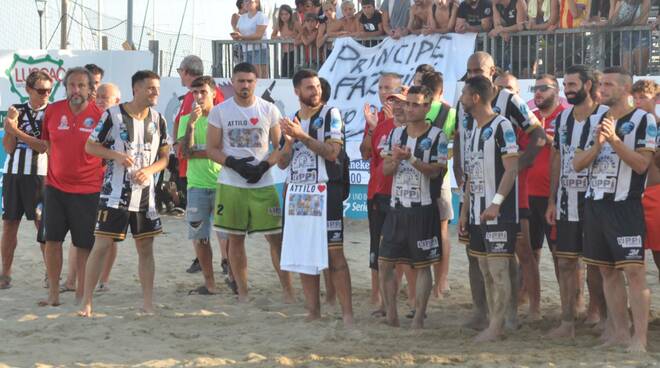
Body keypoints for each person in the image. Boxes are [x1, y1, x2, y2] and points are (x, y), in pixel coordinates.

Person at [453, 52, 545, 330]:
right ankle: (481, 310)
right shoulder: (464, 101)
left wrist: (517, 168)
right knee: (474, 252)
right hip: (474, 186)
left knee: (512, 251)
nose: (473, 74)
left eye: (478, 70)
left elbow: (538, 135)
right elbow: (459, 139)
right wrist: (459, 173)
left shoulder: (509, 100)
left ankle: (512, 314)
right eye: (469, 70)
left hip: (505, 191)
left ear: (492, 71)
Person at [573, 67, 655, 352]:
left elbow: (643, 165)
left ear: (625, 89)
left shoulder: (644, 121)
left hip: (626, 206)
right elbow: (577, 163)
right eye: (601, 84)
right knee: (607, 271)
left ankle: (639, 339)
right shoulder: (596, 120)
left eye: (608, 85)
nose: (601, 89)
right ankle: (619, 333)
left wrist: (615, 141)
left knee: (634, 271)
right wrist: (598, 145)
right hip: (596, 204)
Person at [79, 70, 169, 317]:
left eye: (157, 89)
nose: (155, 93)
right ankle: (87, 302)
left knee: (146, 248)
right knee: (101, 246)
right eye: (151, 88)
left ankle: (148, 303)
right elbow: (90, 146)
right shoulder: (112, 115)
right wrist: (116, 155)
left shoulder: (159, 119)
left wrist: (149, 170)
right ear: (136, 89)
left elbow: (164, 157)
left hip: (145, 197)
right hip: (114, 195)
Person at [206, 62, 294, 303]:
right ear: (232, 82)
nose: (245, 85)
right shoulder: (220, 111)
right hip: (232, 184)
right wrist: (233, 163)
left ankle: (288, 291)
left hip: (264, 184)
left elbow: (281, 147)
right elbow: (211, 149)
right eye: (240, 81)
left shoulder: (268, 110)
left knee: (276, 238)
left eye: (249, 81)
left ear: (257, 82)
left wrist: (265, 165)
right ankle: (243, 292)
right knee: (235, 239)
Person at [278, 69, 354, 326]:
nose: (316, 91)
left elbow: (333, 153)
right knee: (304, 256)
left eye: (317, 87)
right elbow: (281, 163)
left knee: (335, 254)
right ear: (297, 91)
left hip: (325, 190)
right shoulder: (291, 119)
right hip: (298, 192)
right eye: (309, 88)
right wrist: (289, 142)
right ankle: (313, 311)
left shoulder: (331, 114)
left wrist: (303, 136)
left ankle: (347, 314)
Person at [545, 65, 608, 339]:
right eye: (566, 85)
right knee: (566, 262)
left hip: (598, 201)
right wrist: (551, 200)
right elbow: (556, 158)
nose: (568, 89)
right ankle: (567, 320)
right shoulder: (561, 120)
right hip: (566, 200)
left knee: (597, 263)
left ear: (588, 85)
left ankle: (600, 314)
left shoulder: (607, 116)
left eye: (573, 84)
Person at [379, 85, 447, 329]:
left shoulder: (438, 136)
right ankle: (391, 314)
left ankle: (419, 316)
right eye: (408, 103)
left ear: (427, 106)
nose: (409, 108)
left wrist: (412, 159)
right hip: (397, 208)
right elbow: (385, 170)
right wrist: (395, 159)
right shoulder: (396, 135)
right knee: (385, 262)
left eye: (416, 104)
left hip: (423, 209)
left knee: (422, 265)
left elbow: (436, 171)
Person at [458, 75, 520, 342]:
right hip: (476, 213)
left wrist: (495, 203)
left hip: (499, 213)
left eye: (463, 94)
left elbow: (512, 168)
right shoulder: (473, 129)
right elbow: (472, 175)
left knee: (498, 269)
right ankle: (494, 321)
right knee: (484, 269)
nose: (460, 99)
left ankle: (498, 326)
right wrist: (464, 211)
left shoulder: (502, 125)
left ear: (475, 98)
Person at [38, 67, 104, 306]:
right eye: (71, 85)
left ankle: (81, 295)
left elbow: (107, 152)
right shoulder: (53, 111)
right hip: (55, 188)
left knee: (83, 244)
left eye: (81, 85)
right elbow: (46, 143)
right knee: (52, 241)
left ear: (90, 89)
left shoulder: (99, 115)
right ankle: (54, 294)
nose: (76, 90)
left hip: (88, 190)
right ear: (65, 87)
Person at [0, 70, 52, 290]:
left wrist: (16, 130)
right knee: (10, 224)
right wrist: (9, 128)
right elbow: (9, 148)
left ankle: (51, 274)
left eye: (49, 90)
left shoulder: (52, 113)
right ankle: (5, 273)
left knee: (42, 225)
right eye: (41, 90)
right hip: (13, 174)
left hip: (40, 175)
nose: (46, 94)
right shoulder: (16, 111)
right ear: (29, 90)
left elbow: (43, 147)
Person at [174, 55, 226, 274]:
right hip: (196, 181)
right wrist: (192, 128)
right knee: (198, 232)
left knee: (225, 232)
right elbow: (184, 151)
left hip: (221, 181)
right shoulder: (189, 115)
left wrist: (200, 153)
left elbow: (224, 151)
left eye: (202, 92)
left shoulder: (222, 114)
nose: (198, 96)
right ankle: (208, 270)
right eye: (195, 92)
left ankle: (225, 263)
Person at [360, 72, 402, 315]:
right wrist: (373, 129)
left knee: (402, 251)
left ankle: (403, 299)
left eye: (390, 89)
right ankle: (377, 297)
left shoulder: (407, 117)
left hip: (399, 193)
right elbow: (365, 153)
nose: (385, 93)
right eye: (381, 88)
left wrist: (386, 126)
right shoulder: (374, 118)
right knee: (376, 247)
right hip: (376, 191)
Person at [526, 74, 565, 310]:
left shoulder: (564, 116)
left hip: (554, 196)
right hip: (528, 194)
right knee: (530, 254)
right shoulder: (531, 118)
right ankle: (533, 305)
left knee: (562, 256)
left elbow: (564, 148)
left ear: (556, 91)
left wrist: (545, 136)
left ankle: (570, 303)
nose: (538, 93)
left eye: (544, 88)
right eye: (536, 88)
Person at [420, 71, 456, 299]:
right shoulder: (450, 112)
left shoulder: (413, 109)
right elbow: (456, 144)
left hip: (415, 177)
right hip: (440, 179)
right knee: (442, 232)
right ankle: (441, 284)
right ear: (441, 91)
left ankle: (424, 283)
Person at [94, 82, 122, 292]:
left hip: (110, 186)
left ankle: (104, 279)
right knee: (87, 235)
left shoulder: (121, 122)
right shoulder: (89, 119)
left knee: (110, 237)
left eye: (106, 97)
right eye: (98, 96)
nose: (100, 100)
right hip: (87, 183)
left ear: (117, 101)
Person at [631, 80, 660, 278]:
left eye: (643, 97)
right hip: (632, 196)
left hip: (656, 195)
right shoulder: (628, 127)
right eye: (635, 98)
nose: (638, 102)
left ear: (656, 99)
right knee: (631, 257)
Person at [232, 0, 270, 78]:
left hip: (260, 49)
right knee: (249, 73)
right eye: (246, 1)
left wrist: (242, 37)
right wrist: (236, 36)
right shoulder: (242, 17)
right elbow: (238, 31)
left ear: (257, 3)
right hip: (246, 49)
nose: (247, 3)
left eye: (250, 1)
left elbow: (258, 35)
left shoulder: (261, 16)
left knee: (259, 74)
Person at [271, 5, 298, 78]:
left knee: (294, 74)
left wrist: (293, 37)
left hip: (295, 52)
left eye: (286, 14)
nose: (284, 16)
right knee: (284, 74)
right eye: (282, 14)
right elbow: (272, 36)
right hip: (285, 53)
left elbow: (302, 33)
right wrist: (280, 37)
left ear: (290, 14)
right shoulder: (279, 24)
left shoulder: (295, 23)